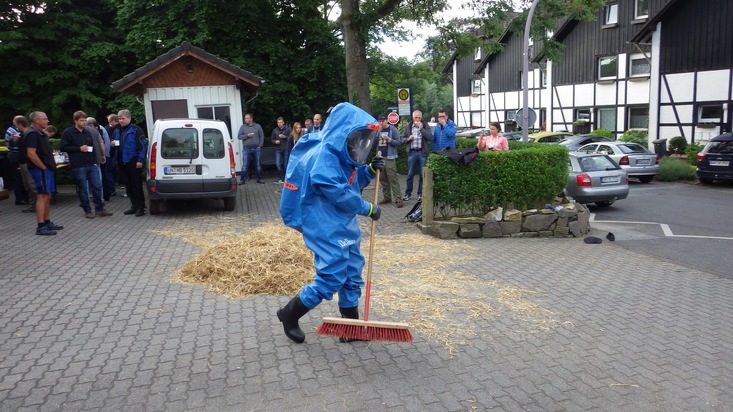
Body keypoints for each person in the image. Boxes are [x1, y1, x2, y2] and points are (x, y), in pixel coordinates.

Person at [276, 102, 385, 344]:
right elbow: (337, 191)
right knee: (332, 276)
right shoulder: (324, 155)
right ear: (343, 131)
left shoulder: (342, 154)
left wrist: (368, 170)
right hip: (322, 223)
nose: (360, 143)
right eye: (357, 136)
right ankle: (289, 314)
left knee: (352, 272)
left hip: (342, 222)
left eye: (364, 138)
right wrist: (367, 208)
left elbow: (351, 183)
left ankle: (351, 328)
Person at [60, 111, 112, 219]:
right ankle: (87, 210)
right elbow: (63, 147)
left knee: (97, 186)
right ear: (75, 121)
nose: (84, 123)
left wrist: (98, 158)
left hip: (91, 163)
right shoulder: (68, 132)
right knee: (83, 188)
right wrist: (78, 148)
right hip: (78, 165)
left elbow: (92, 147)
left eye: (85, 120)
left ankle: (99, 209)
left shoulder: (87, 132)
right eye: (81, 121)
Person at [24, 111, 63, 235]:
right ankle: (40, 226)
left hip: (46, 169)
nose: (47, 121)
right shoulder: (32, 134)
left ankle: (47, 222)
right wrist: (43, 167)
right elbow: (31, 153)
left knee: (47, 195)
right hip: (40, 170)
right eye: (45, 119)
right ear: (36, 120)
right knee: (42, 196)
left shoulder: (40, 133)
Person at [113, 109, 147, 216]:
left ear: (129, 118)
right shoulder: (117, 130)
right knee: (128, 186)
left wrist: (140, 160)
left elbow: (142, 146)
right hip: (122, 161)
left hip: (133, 161)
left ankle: (141, 208)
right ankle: (134, 206)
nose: (121, 121)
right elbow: (113, 145)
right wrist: (112, 144)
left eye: (123, 118)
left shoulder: (136, 130)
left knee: (136, 185)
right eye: (119, 119)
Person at [401, 110, 433, 202]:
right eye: (416, 118)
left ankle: (420, 194)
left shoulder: (426, 126)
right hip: (412, 152)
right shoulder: (408, 126)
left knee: (422, 175)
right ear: (413, 118)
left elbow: (430, 138)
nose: (418, 119)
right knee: (410, 174)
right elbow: (402, 139)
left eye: (419, 118)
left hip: (422, 153)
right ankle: (408, 193)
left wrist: (421, 129)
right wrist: (408, 139)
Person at [375, 114, 403, 208]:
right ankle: (387, 197)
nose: (381, 123)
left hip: (389, 157)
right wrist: (376, 133)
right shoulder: (378, 129)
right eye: (379, 121)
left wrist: (389, 139)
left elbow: (398, 142)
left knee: (392, 178)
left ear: (387, 121)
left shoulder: (392, 129)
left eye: (382, 121)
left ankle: (398, 199)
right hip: (380, 157)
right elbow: (373, 142)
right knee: (383, 179)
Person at [15, 116, 39, 213]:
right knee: (27, 185)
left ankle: (38, 205)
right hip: (22, 162)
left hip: (27, 163)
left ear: (20, 124)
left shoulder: (29, 134)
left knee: (32, 185)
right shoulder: (23, 134)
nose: (16, 127)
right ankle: (33, 204)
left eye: (16, 124)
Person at [87, 117, 115, 201]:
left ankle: (103, 196)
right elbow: (103, 143)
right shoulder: (99, 129)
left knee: (102, 177)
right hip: (102, 156)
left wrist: (104, 155)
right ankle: (104, 196)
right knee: (103, 176)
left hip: (99, 157)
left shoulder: (94, 131)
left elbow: (103, 144)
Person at [5, 117, 30, 206]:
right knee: (18, 177)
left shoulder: (21, 130)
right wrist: (16, 139)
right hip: (15, 155)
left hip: (19, 154)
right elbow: (11, 144)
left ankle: (25, 197)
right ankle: (20, 199)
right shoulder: (11, 130)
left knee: (21, 177)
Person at [237, 112, 265, 184]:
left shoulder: (258, 126)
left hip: (256, 148)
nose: (245, 119)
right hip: (247, 149)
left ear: (251, 119)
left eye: (247, 118)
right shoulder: (243, 127)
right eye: (245, 118)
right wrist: (247, 135)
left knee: (257, 164)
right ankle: (242, 179)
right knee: (245, 165)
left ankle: (259, 178)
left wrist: (260, 145)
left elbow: (261, 136)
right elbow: (239, 136)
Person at [271, 117, 291, 183]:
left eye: (280, 122)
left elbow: (291, 139)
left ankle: (285, 179)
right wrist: (275, 141)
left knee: (285, 164)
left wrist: (284, 137)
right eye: (278, 122)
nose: (279, 124)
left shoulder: (288, 130)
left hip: (286, 148)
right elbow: (272, 139)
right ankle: (281, 178)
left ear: (283, 123)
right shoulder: (275, 130)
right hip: (278, 149)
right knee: (278, 164)